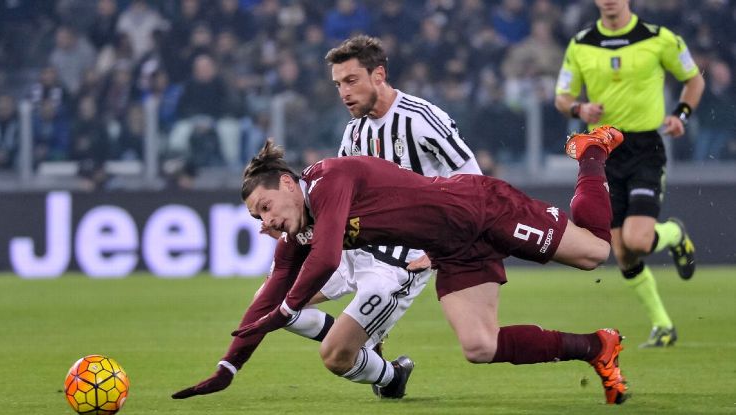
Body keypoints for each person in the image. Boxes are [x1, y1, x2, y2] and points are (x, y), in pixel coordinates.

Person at [178, 125, 631, 405]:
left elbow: (328, 257)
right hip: (452, 248)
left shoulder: (330, 178)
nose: (266, 221)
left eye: (265, 207)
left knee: (594, 252)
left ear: (286, 183)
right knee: (479, 346)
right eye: (257, 218)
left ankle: (591, 151)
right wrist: (228, 368)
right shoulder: (300, 226)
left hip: (481, 209)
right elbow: (275, 285)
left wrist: (288, 310)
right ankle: (597, 347)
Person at [173, 34, 483, 400]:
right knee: (266, 297)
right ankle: (382, 365)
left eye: (351, 81)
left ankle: (368, 352)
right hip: (352, 244)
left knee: (334, 353)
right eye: (338, 84)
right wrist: (229, 366)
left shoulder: (421, 119)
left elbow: (473, 184)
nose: (343, 93)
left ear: (379, 76)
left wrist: (441, 249)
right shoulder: (354, 133)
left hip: (403, 253)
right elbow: (334, 206)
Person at [554, 0, 705, 348]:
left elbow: (693, 80)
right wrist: (579, 108)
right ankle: (663, 325)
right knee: (622, 253)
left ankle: (672, 233)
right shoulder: (581, 43)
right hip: (603, 150)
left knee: (637, 241)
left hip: (644, 149)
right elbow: (562, 96)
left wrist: (680, 115)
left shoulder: (659, 38)